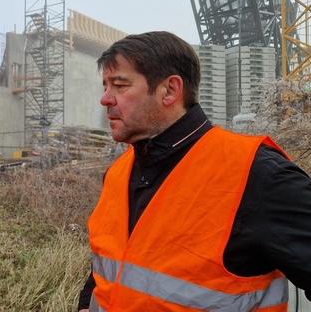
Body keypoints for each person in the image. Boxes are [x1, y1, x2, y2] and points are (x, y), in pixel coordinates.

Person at [78, 31, 311, 311]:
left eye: (119, 85)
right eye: (105, 86)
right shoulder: (119, 172)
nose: (105, 99)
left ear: (170, 90)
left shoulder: (256, 173)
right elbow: (107, 269)